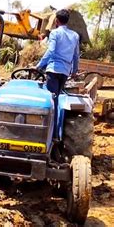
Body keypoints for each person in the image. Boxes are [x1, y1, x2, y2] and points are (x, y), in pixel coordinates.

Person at [35, 9, 80, 137]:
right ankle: (55, 133)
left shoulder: (55, 33)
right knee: (57, 100)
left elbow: (51, 51)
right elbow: (76, 56)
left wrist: (39, 65)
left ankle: (47, 134)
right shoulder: (75, 35)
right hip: (65, 72)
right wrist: (74, 71)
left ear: (56, 21)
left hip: (53, 70)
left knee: (50, 101)